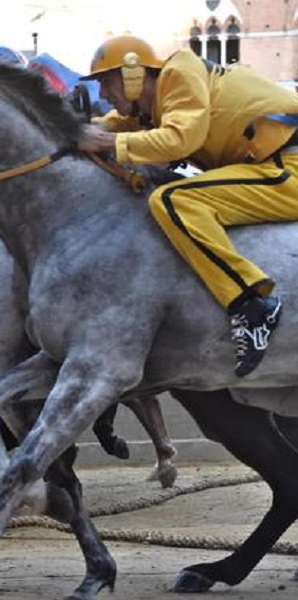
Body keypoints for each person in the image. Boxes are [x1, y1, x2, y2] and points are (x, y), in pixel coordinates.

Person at [77, 35, 298, 377]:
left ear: (134, 75)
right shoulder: (153, 108)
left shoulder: (179, 74)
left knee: (172, 200)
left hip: (289, 165)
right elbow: (107, 128)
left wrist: (106, 141)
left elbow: (180, 140)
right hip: (270, 165)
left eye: (107, 82)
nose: (103, 94)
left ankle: (252, 304)